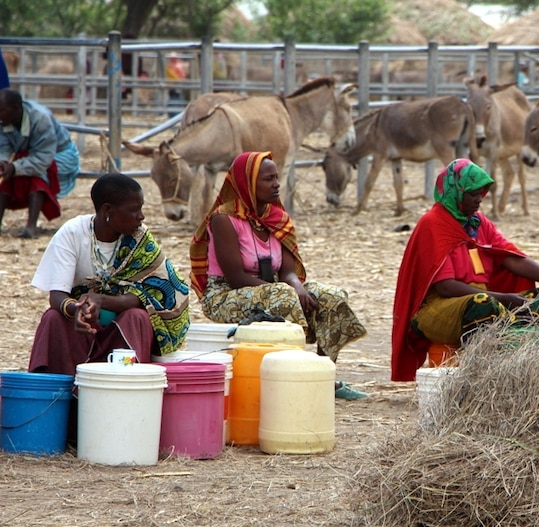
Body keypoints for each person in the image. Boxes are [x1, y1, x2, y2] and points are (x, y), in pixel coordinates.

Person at [189, 151, 368, 399]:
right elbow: (235, 277)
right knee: (283, 296)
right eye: (267, 179)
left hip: (272, 286)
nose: (276, 185)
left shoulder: (276, 217)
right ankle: (298, 375)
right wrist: (287, 291)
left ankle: (324, 376)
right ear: (247, 182)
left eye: (276, 178)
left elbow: (287, 271)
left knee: (331, 296)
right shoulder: (224, 219)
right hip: (225, 293)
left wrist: (297, 286)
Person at [391, 158, 539, 382]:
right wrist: (505, 299)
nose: (479, 199)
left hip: (486, 301)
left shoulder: (477, 223)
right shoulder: (433, 223)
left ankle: (524, 368)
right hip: (438, 309)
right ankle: (479, 376)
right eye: (473, 193)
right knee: (482, 305)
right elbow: (446, 287)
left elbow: (510, 257)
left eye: (481, 192)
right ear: (456, 192)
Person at [29, 172, 191, 375]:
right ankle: (57, 397)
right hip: (82, 327)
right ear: (108, 210)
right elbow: (57, 295)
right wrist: (77, 309)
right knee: (53, 317)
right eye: (134, 210)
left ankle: (124, 387)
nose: (141, 216)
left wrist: (101, 300)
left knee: (137, 317)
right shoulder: (73, 234)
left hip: (121, 327)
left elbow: (149, 295)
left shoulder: (140, 239)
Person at [0, 88, 81, 238]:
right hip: (28, 156)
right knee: (5, 176)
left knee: (36, 176)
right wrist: (4, 162)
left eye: (2, 110)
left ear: (16, 109)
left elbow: (43, 157)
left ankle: (31, 227)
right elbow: (4, 145)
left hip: (59, 155)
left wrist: (16, 167)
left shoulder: (40, 118)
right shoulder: (4, 120)